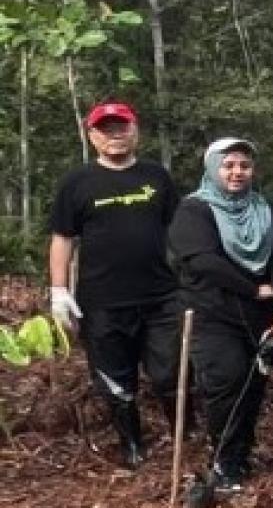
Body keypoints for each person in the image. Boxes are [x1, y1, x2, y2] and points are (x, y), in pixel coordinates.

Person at [48, 101, 181, 468]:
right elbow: (62, 237)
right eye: (106, 129)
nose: (115, 135)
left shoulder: (157, 177)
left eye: (121, 127)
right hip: (102, 301)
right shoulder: (76, 183)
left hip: (161, 297)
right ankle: (132, 446)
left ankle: (184, 437)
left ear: (135, 131)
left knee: (168, 372)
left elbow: (180, 229)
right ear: (92, 136)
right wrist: (58, 291)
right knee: (115, 380)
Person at [169, 137, 273, 492]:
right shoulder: (194, 209)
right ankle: (223, 458)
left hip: (262, 313)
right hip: (212, 310)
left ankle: (240, 454)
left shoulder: (267, 208)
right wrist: (252, 288)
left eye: (244, 166)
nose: (237, 173)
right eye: (228, 165)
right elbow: (202, 260)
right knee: (226, 379)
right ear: (213, 169)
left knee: (255, 382)